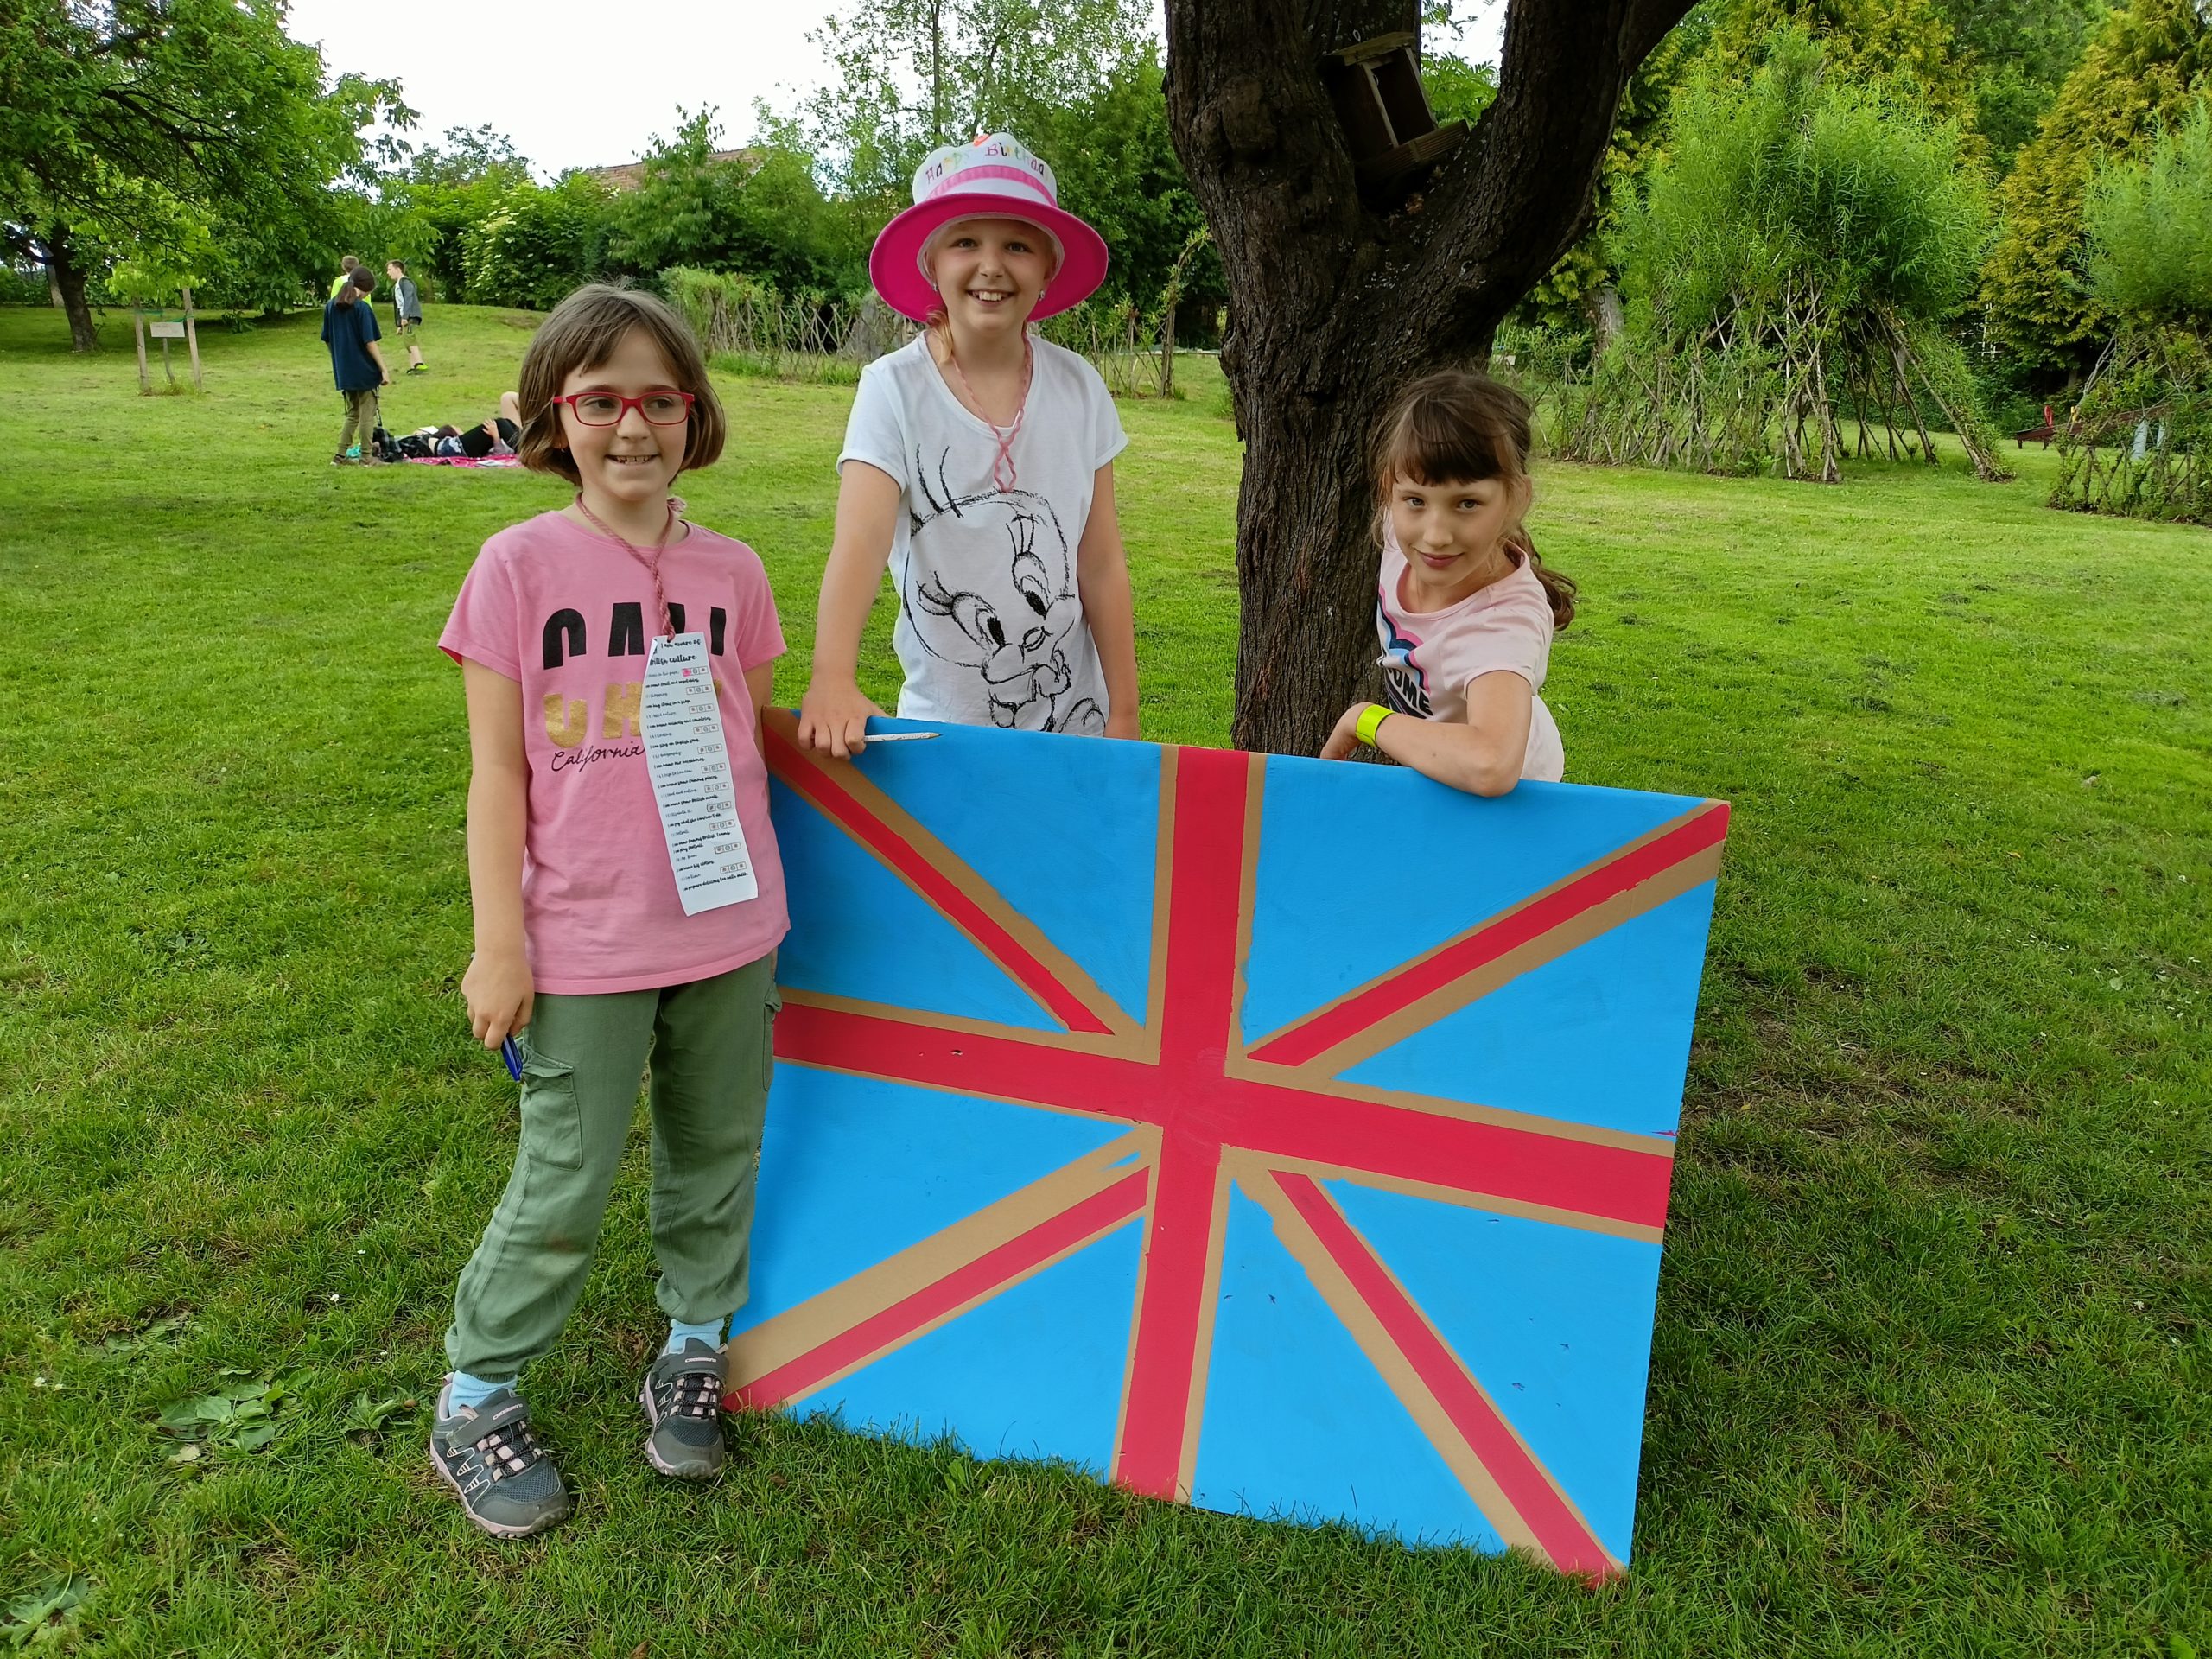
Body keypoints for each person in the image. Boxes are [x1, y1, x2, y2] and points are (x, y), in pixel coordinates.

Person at [430, 284, 789, 1538]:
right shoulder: (517, 566)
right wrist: (500, 944)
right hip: (583, 936)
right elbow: (495, 774)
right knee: (567, 1173)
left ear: (695, 413)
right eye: (599, 402)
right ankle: (478, 1393)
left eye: (658, 400)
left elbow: (753, 740)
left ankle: (694, 1340)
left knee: (716, 1143)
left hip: (730, 926)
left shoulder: (733, 571)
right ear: (553, 417)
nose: (631, 427)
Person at [797, 132, 1139, 755]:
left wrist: (1125, 712)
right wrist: (833, 677)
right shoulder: (893, 389)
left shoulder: (1081, 388)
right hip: (945, 734)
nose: (991, 265)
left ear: (1047, 269)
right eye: (965, 243)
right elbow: (861, 541)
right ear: (931, 264)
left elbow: (1100, 562)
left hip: (1080, 733)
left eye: (1017, 245)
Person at [1319, 370, 1577, 796]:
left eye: (1467, 503)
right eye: (1415, 500)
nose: (1436, 535)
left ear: (1516, 498)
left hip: (1516, 801)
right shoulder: (1402, 534)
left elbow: (1491, 765)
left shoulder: (1501, 624)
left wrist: (1366, 719)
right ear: (1389, 492)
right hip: (1444, 769)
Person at [321, 265, 391, 466]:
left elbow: (327, 338)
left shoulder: (331, 306)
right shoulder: (362, 308)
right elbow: (370, 342)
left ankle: (340, 456)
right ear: (366, 288)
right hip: (365, 369)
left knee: (352, 413)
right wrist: (383, 369)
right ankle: (366, 458)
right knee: (367, 414)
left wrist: (339, 358)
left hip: (344, 370)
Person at [387, 259, 427, 373]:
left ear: (398, 269)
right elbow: (399, 305)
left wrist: (405, 316)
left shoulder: (406, 282)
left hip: (410, 316)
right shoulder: (397, 285)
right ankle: (413, 366)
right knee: (406, 341)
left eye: (390, 269)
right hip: (405, 317)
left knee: (410, 338)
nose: (388, 273)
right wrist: (399, 324)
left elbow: (409, 299)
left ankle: (420, 364)